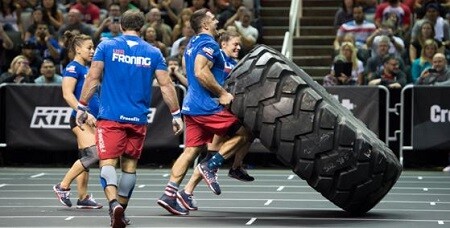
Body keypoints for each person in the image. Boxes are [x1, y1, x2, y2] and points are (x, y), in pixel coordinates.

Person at [75, 9, 183, 228]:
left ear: (121, 26)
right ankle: (121, 212)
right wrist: (176, 114)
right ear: (141, 28)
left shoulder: (106, 46)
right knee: (130, 167)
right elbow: (166, 85)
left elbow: (93, 77)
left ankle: (113, 203)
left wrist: (81, 106)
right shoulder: (154, 52)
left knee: (107, 163)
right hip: (138, 119)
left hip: (111, 117)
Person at [157, 9, 250, 215]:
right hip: (205, 106)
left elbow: (190, 71)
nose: (217, 21)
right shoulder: (209, 44)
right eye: (214, 19)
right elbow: (200, 72)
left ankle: (170, 194)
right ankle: (211, 166)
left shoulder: (191, 43)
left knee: (191, 151)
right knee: (245, 133)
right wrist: (222, 92)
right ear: (206, 25)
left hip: (191, 105)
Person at [52, 31, 102, 210]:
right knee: (94, 155)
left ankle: (83, 197)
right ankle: (62, 186)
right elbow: (67, 94)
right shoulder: (73, 68)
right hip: (80, 121)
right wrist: (85, 114)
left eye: (93, 47)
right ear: (77, 49)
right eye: (89, 48)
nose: (92, 50)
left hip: (91, 120)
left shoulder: (88, 69)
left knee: (85, 159)